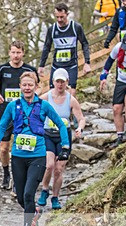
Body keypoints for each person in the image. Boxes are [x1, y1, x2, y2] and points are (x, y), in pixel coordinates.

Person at [0, 72, 70, 226]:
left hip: (38, 156)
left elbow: (61, 125)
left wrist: (65, 146)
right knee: (21, 197)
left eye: (30, 85)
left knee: (28, 194)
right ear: (20, 87)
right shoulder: (12, 106)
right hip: (18, 156)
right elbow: (1, 127)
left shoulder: (44, 105)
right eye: (24, 85)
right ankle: (34, 212)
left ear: (36, 87)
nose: (27, 88)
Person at [0, 40, 39, 190]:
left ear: (23, 53)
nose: (16, 55)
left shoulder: (30, 70)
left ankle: (18, 178)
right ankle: (6, 173)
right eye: (13, 52)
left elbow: (38, 89)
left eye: (19, 52)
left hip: (24, 113)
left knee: (21, 146)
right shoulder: (2, 69)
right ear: (9, 53)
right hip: (6, 112)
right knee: (4, 148)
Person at [38, 68, 86, 211]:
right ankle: (45, 189)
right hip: (48, 135)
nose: (59, 84)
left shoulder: (71, 100)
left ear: (67, 83)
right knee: (49, 165)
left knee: (59, 169)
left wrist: (80, 128)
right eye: (57, 81)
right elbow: (33, 111)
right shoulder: (46, 97)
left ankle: (55, 197)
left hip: (64, 137)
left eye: (62, 82)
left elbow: (81, 118)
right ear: (53, 82)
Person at [39, 3, 92, 94]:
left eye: (62, 17)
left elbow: (85, 44)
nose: (59, 20)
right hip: (56, 65)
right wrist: (41, 65)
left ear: (67, 14)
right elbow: (46, 47)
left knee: (71, 94)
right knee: (53, 94)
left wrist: (87, 62)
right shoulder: (52, 29)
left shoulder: (76, 27)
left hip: (71, 65)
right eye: (57, 17)